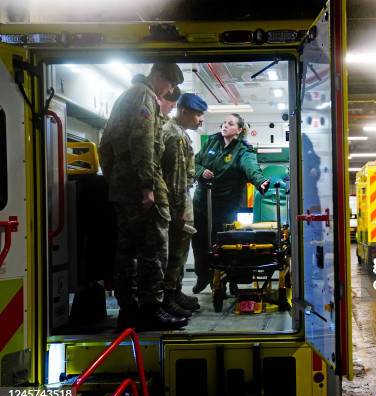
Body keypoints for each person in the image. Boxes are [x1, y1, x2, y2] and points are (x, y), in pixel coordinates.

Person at [99, 62, 188, 330]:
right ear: (159, 75)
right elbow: (143, 142)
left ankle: (129, 311)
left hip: (122, 186)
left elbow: (105, 147)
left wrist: (116, 179)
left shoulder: (125, 97)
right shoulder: (144, 95)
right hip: (142, 185)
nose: (169, 91)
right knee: (153, 248)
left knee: (127, 250)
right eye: (170, 84)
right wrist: (147, 185)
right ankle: (151, 310)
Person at [191, 113, 270, 293]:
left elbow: (251, 167)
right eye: (224, 122)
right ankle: (203, 276)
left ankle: (225, 281)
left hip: (225, 205)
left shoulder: (243, 150)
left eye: (230, 123)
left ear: (239, 130)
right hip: (202, 202)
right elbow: (194, 162)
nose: (225, 125)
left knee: (225, 244)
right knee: (200, 241)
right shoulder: (211, 142)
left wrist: (260, 181)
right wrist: (201, 171)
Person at [161, 93, 207, 317]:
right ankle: (167, 298)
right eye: (198, 114)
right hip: (175, 203)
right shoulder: (174, 135)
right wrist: (179, 209)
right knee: (174, 253)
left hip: (180, 201)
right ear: (184, 111)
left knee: (180, 250)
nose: (200, 119)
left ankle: (176, 292)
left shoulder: (181, 134)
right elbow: (177, 178)